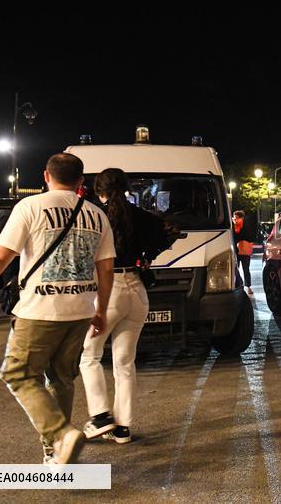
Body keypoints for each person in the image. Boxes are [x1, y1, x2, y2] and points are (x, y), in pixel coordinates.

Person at [0, 153, 115, 463]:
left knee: (18, 374)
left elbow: (1, 257)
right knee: (62, 379)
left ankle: (61, 435)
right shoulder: (97, 214)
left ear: (45, 175)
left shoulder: (29, 207)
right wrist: (101, 310)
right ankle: (56, 453)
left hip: (40, 309)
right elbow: (106, 269)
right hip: (80, 309)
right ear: (81, 182)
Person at [81, 168, 173, 445]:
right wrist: (146, 258)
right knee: (125, 362)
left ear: (100, 190)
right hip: (137, 291)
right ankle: (123, 428)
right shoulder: (142, 216)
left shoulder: (96, 215)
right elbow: (169, 232)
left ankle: (100, 416)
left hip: (110, 290)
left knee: (89, 356)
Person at [232, 210, 254, 292]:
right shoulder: (233, 226)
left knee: (246, 269)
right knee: (235, 269)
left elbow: (247, 236)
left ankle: (248, 286)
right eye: (234, 218)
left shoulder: (246, 226)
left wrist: (238, 228)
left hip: (245, 250)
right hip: (236, 251)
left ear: (242, 218)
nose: (235, 219)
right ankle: (238, 284)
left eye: (237, 218)